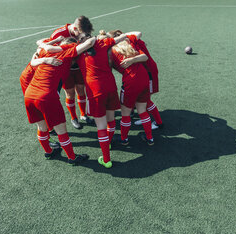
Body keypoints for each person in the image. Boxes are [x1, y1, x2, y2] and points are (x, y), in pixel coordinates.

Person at [24, 36, 96, 164]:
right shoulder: (68, 52)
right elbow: (90, 42)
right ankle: (72, 158)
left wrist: (45, 56)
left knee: (41, 127)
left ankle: (48, 152)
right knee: (61, 130)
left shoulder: (47, 51)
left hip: (29, 94)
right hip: (46, 96)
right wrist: (97, 38)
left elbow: (34, 58)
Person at [77, 30, 137, 168]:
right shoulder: (103, 44)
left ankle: (106, 159)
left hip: (95, 91)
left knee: (101, 126)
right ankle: (108, 143)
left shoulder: (77, 51)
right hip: (110, 87)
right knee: (111, 121)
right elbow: (122, 37)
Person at [38, 16, 94, 129]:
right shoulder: (59, 33)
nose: (81, 37)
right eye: (80, 34)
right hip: (65, 70)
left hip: (78, 68)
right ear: (75, 29)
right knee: (70, 93)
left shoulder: (82, 31)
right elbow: (45, 48)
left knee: (81, 90)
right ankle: (74, 118)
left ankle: (83, 115)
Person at [108, 30, 163, 130]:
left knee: (146, 100)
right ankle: (144, 119)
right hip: (142, 74)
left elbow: (139, 34)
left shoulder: (128, 42)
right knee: (141, 100)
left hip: (148, 72)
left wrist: (131, 59)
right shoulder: (125, 43)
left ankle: (159, 122)